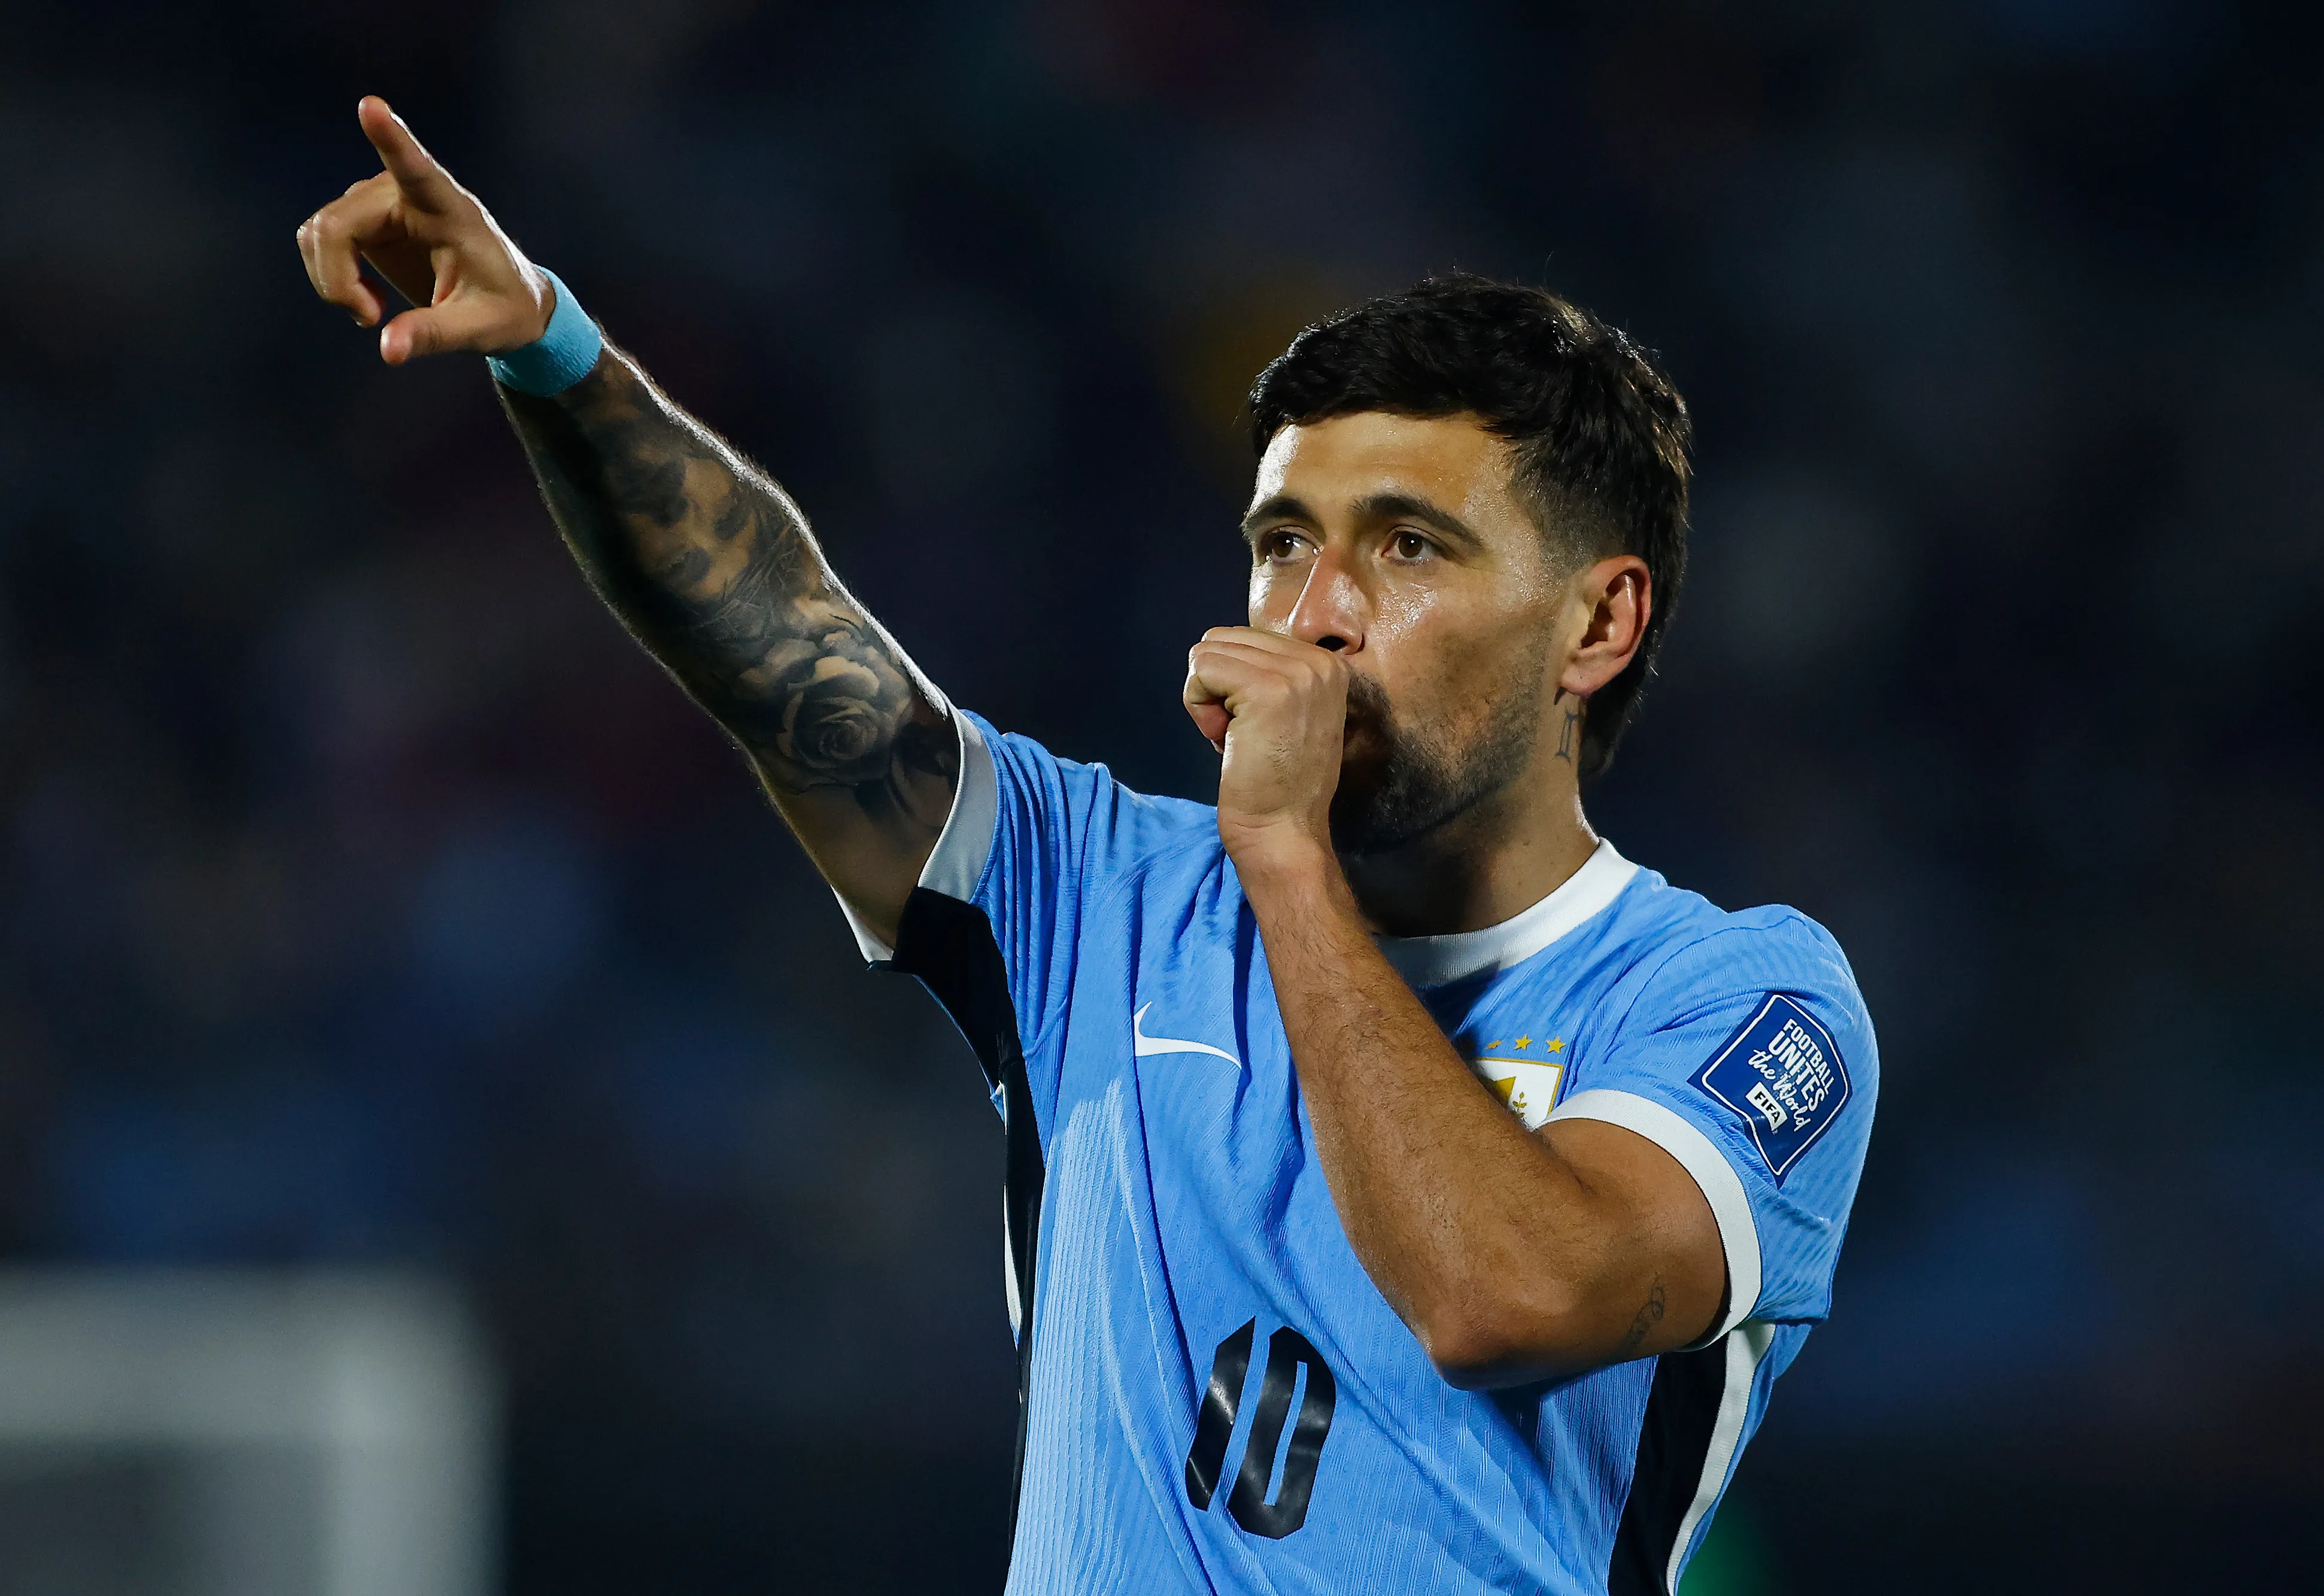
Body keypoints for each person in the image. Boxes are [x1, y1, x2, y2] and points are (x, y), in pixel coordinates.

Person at [298, 96, 1878, 1595]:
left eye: (1407, 546)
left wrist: (1284, 864)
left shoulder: (1735, 999)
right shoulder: (1096, 896)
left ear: (1597, 622)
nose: (1313, 612)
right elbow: (775, 647)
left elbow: (1501, 1297)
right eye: (1281, 545)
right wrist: (560, 361)